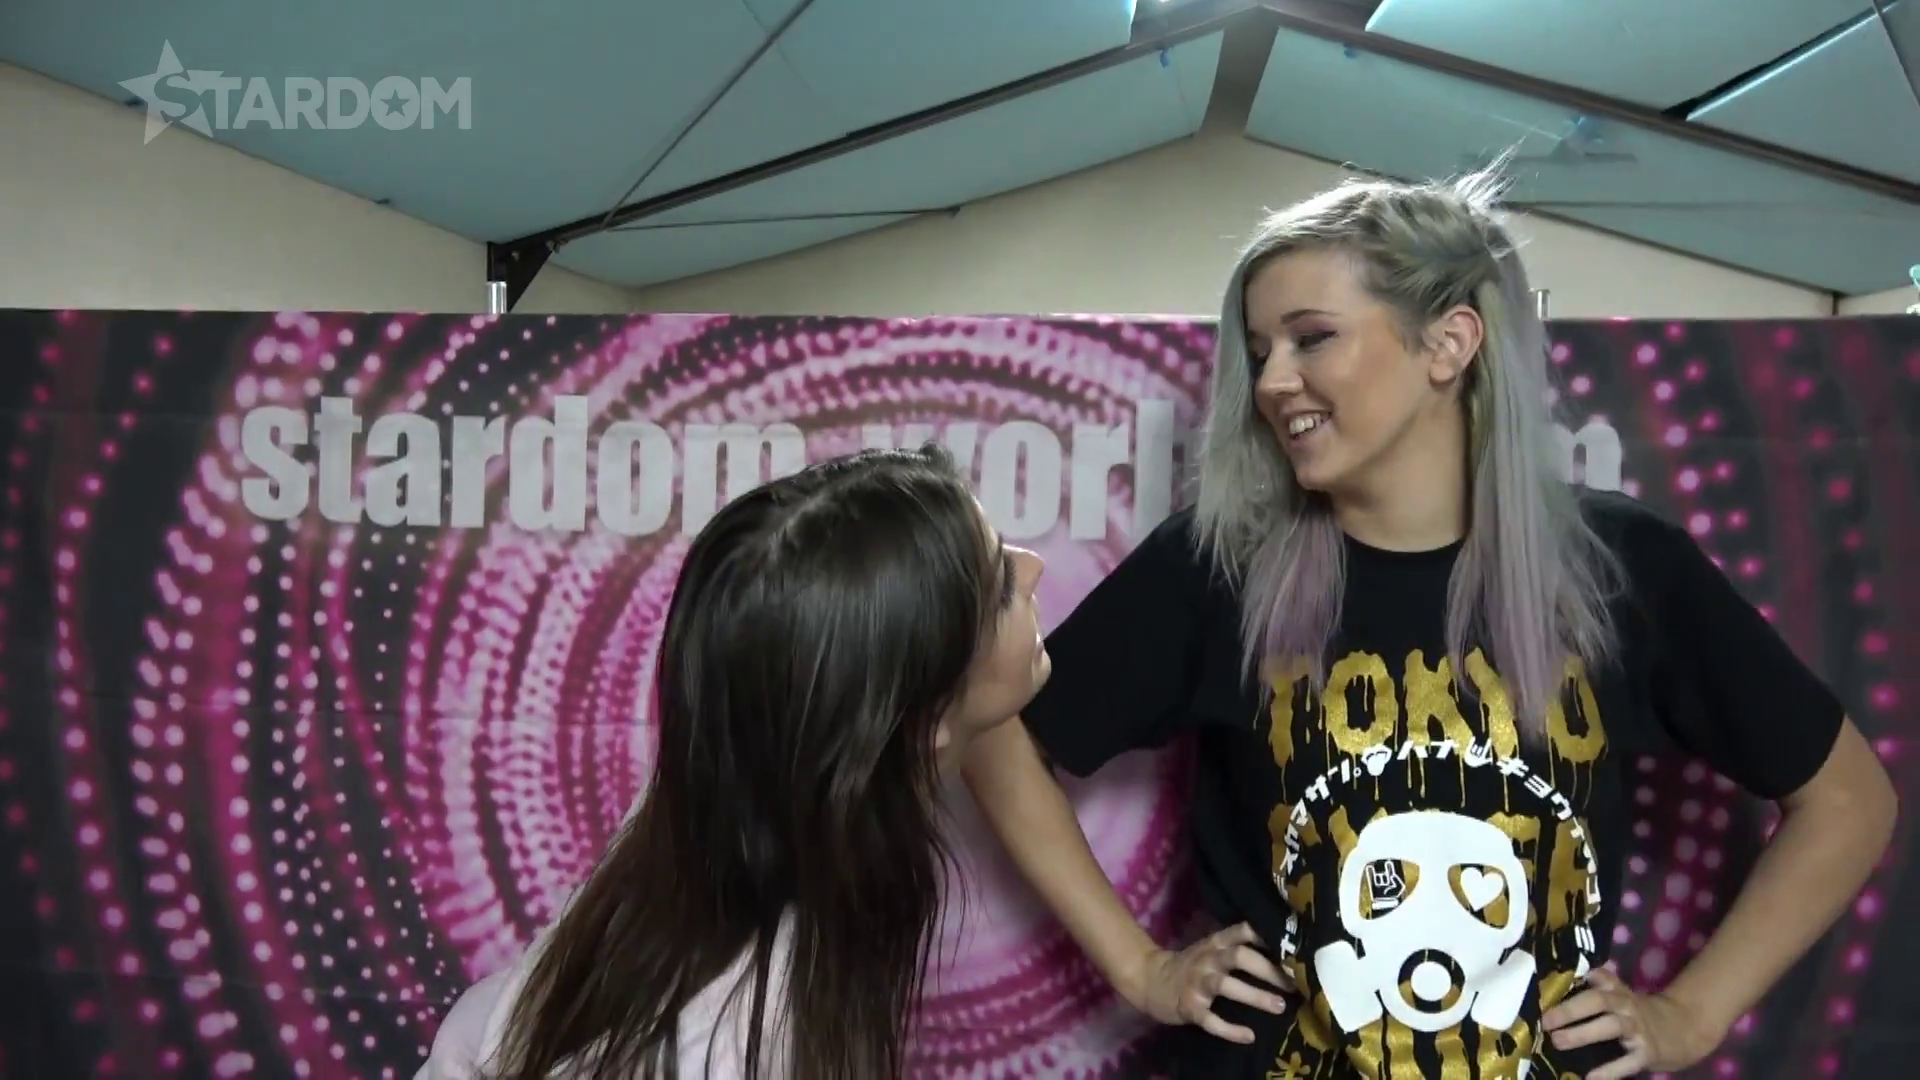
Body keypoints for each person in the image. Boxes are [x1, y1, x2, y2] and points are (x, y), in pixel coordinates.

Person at [961, 171, 1898, 1080]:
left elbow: (1850, 801)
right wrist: (1142, 969)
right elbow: (997, 735)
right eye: (1259, 350)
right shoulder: (1218, 568)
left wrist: (1691, 1015)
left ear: (1449, 343)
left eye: (1311, 338)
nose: (1273, 380)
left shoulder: (1622, 568)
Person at [416, 444, 1051, 1080]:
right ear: (918, 721)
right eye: (1001, 588)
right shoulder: (734, 1042)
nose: (1035, 569)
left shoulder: (736, 806)